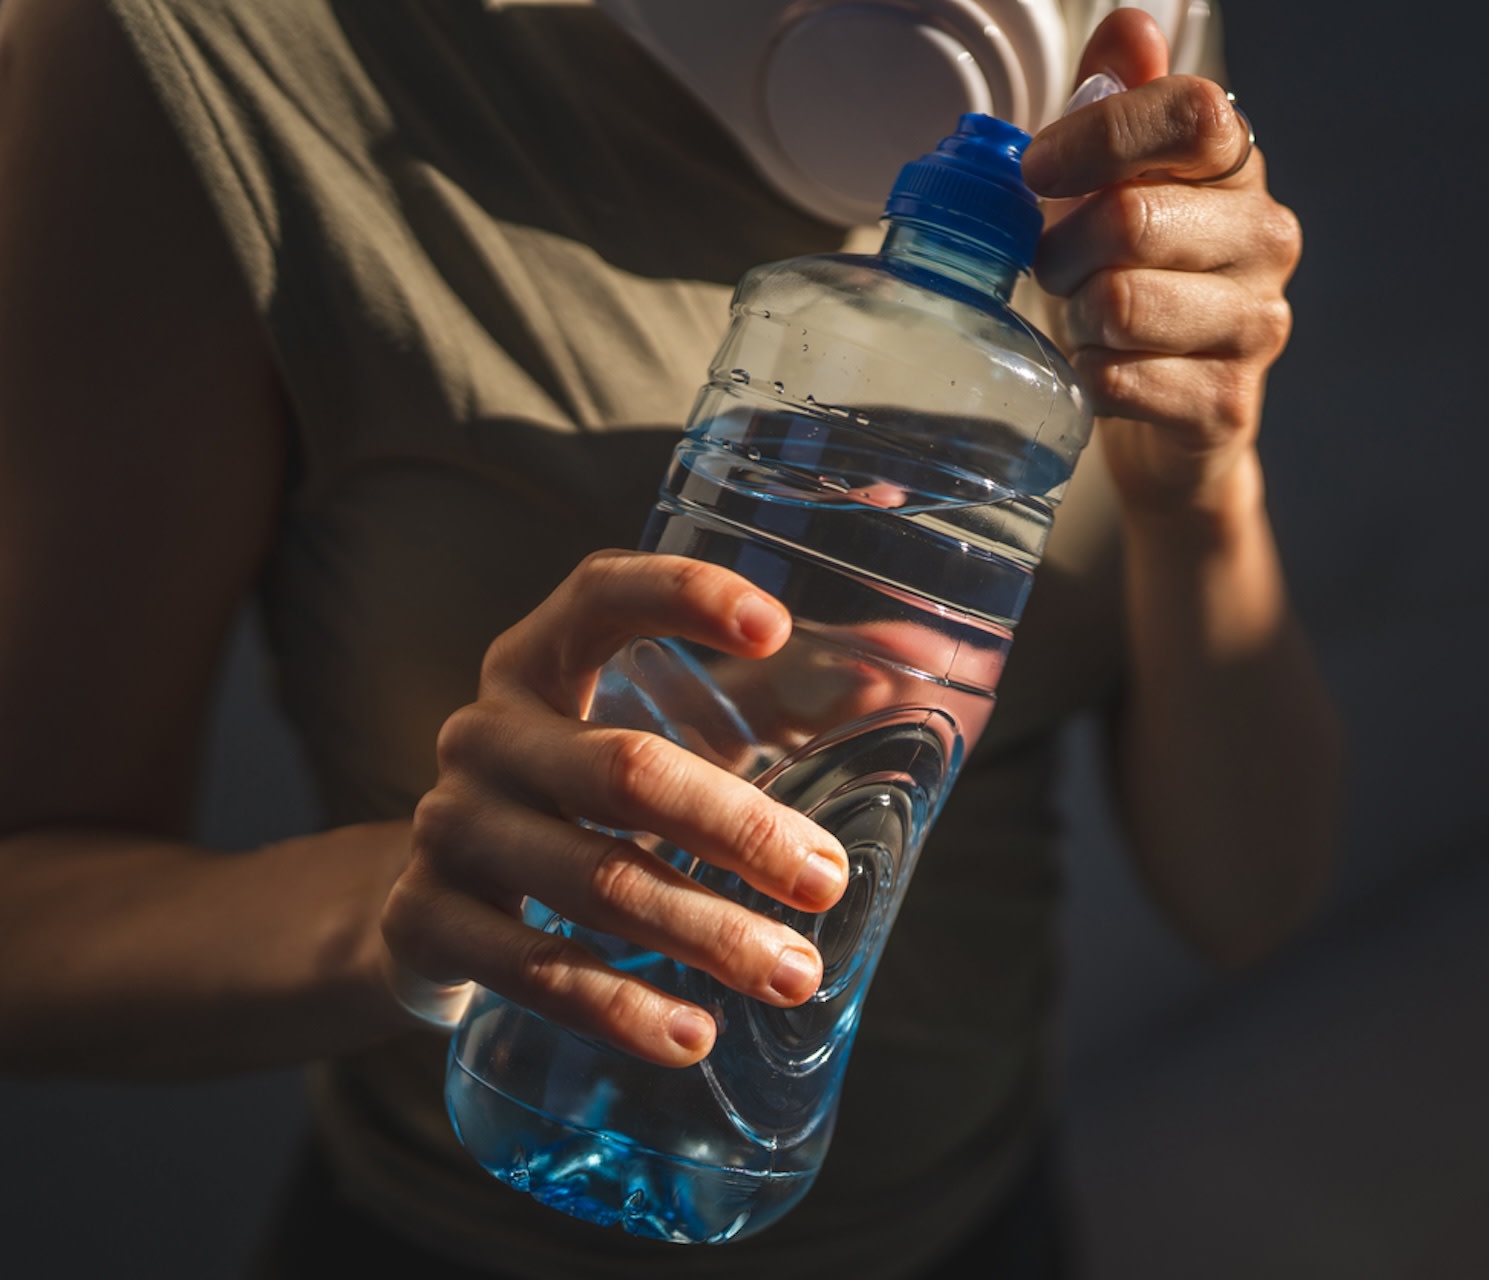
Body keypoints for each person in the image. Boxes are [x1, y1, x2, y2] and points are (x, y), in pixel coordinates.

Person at [0, 0, 1341, 1274]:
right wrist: (412, 916)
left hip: (979, 1226)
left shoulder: (1106, 57)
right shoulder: (205, 51)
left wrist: (1203, 487)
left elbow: (1247, 901)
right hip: (463, 1244)